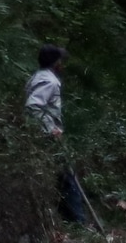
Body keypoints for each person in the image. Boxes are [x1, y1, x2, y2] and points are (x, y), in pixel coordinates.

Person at [24, 44, 85, 224]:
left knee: (63, 179)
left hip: (41, 135)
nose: (62, 64)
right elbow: (33, 106)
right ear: (55, 62)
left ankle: (70, 220)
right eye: (60, 60)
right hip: (49, 137)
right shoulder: (49, 82)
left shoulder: (37, 77)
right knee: (68, 179)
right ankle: (78, 223)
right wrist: (52, 130)